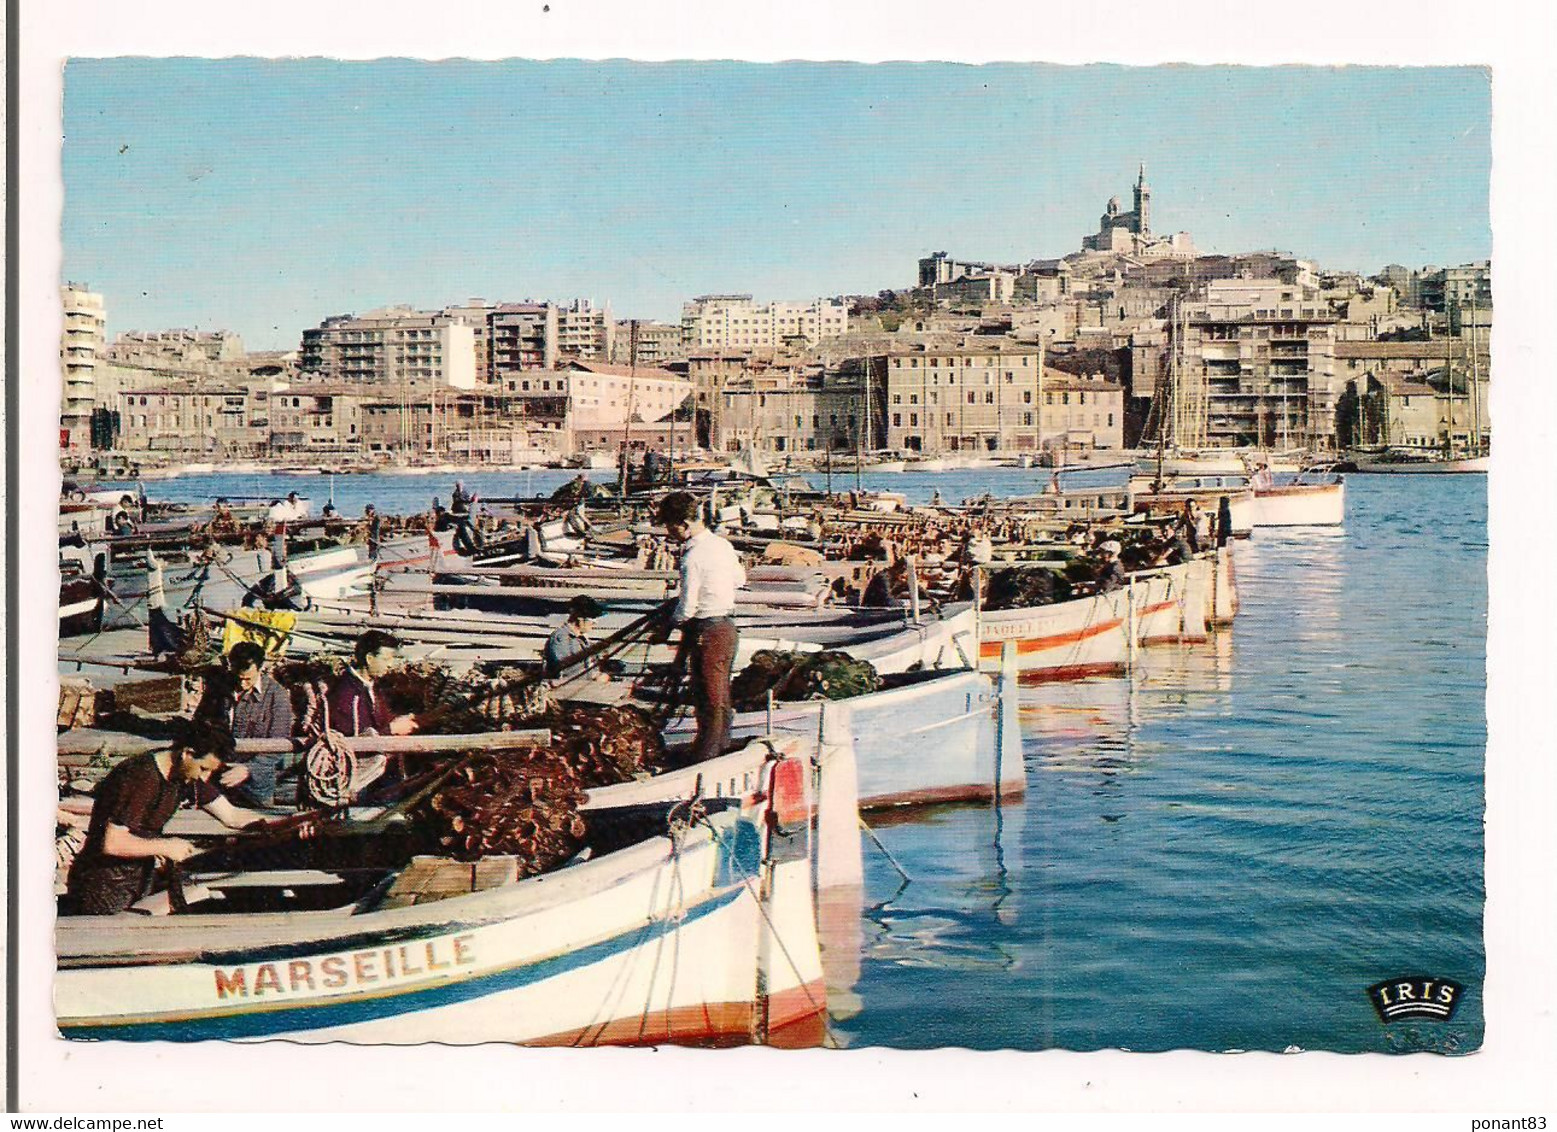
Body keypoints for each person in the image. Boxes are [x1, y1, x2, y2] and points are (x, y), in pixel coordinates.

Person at [61, 720, 272, 915]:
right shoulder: (139, 777)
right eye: (204, 769)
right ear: (187, 754)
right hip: (102, 885)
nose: (205, 777)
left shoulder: (184, 774)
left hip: (137, 879)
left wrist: (293, 821)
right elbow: (112, 843)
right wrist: (166, 847)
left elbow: (232, 816)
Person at [658, 492, 745, 764]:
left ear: (684, 523)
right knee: (720, 693)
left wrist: (668, 625)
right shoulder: (722, 545)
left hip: (707, 631)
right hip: (727, 627)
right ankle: (718, 744)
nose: (669, 532)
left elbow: (688, 606)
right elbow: (739, 580)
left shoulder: (691, 556)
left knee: (708, 696)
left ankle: (708, 756)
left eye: (670, 526)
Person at [194, 642, 295, 807]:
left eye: (248, 679)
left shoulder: (278, 696)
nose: (242, 684)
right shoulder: (218, 688)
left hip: (255, 787)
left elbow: (279, 746)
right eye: (238, 678)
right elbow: (199, 724)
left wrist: (249, 769)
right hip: (215, 778)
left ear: (260, 669)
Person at [327, 630, 417, 737]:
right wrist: (392, 729)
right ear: (369, 658)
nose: (390, 665)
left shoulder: (373, 686)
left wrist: (397, 720)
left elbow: (378, 722)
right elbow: (354, 738)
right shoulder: (346, 693)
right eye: (386, 659)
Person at [543, 595, 605, 679]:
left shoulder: (582, 639)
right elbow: (567, 670)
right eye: (592, 619)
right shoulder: (561, 638)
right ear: (579, 619)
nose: (595, 623)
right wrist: (594, 677)